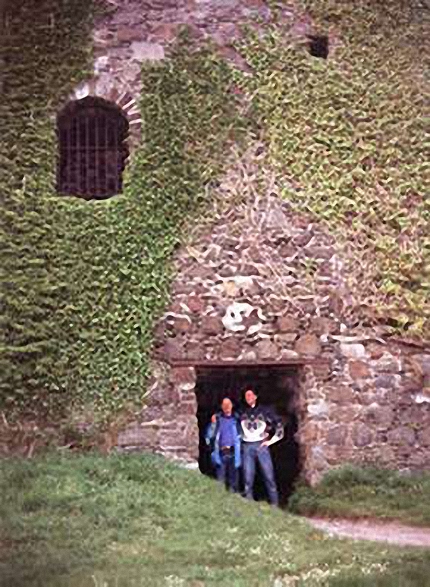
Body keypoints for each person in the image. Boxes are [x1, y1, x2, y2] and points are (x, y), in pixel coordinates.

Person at [240, 389, 284, 506]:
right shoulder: (241, 412)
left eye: (250, 395)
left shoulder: (265, 411)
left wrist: (271, 441)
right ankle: (249, 504)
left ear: (255, 396)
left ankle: (275, 504)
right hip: (247, 446)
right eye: (246, 396)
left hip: (261, 445)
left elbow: (279, 423)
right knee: (247, 477)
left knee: (268, 475)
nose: (248, 397)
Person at [205, 397, 242, 492]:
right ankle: (220, 500)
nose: (226, 406)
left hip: (234, 453)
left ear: (232, 405)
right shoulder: (217, 420)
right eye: (224, 404)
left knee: (234, 482)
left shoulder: (238, 419)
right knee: (220, 481)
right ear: (221, 406)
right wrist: (213, 424)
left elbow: (244, 435)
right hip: (221, 453)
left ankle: (234, 502)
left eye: (228, 404)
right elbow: (208, 437)